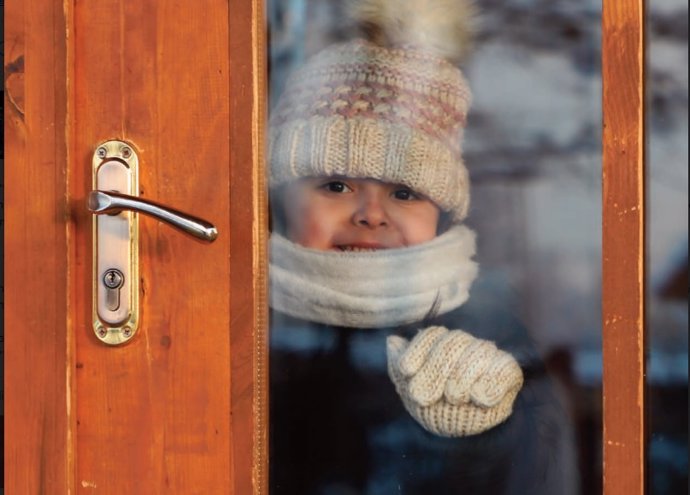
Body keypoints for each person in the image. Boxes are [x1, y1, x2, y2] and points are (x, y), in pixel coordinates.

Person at [268, 0, 576, 493]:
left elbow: (540, 467)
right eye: (335, 186)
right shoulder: (242, 320)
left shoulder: (487, 335)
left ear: (442, 215)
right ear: (282, 199)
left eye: (405, 193)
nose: (371, 213)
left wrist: (478, 434)